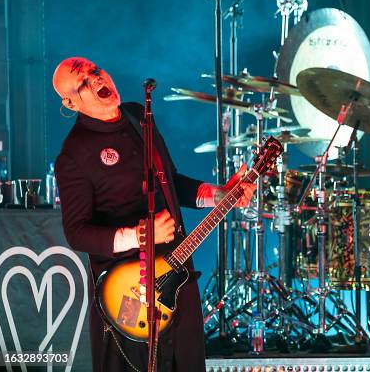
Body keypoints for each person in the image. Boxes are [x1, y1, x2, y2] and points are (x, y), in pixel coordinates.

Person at [53, 57, 255, 372]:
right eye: (82, 82)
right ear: (70, 102)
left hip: (178, 272)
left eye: (95, 71)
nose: (96, 80)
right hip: (128, 290)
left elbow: (170, 182)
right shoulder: (74, 154)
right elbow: (77, 232)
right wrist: (137, 235)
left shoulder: (138, 116)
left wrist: (219, 194)